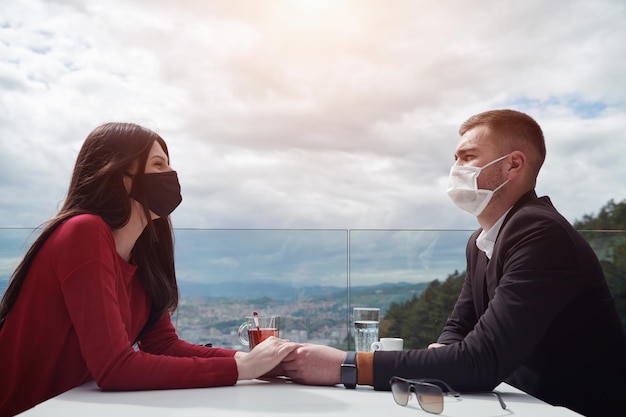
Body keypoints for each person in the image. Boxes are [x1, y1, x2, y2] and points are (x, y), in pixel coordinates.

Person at [281, 109, 626, 417]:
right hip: (523, 403)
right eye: (456, 158)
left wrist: (345, 366)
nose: (456, 168)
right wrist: (445, 358)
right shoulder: (481, 242)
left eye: (468, 157)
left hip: (571, 409)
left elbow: (481, 360)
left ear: (513, 164)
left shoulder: (540, 232)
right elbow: (459, 327)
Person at [0, 122, 298, 416]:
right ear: (122, 177)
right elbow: (114, 369)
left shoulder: (142, 254)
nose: (171, 176)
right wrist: (241, 368)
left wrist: (257, 360)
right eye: (158, 165)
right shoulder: (83, 231)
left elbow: (163, 344)